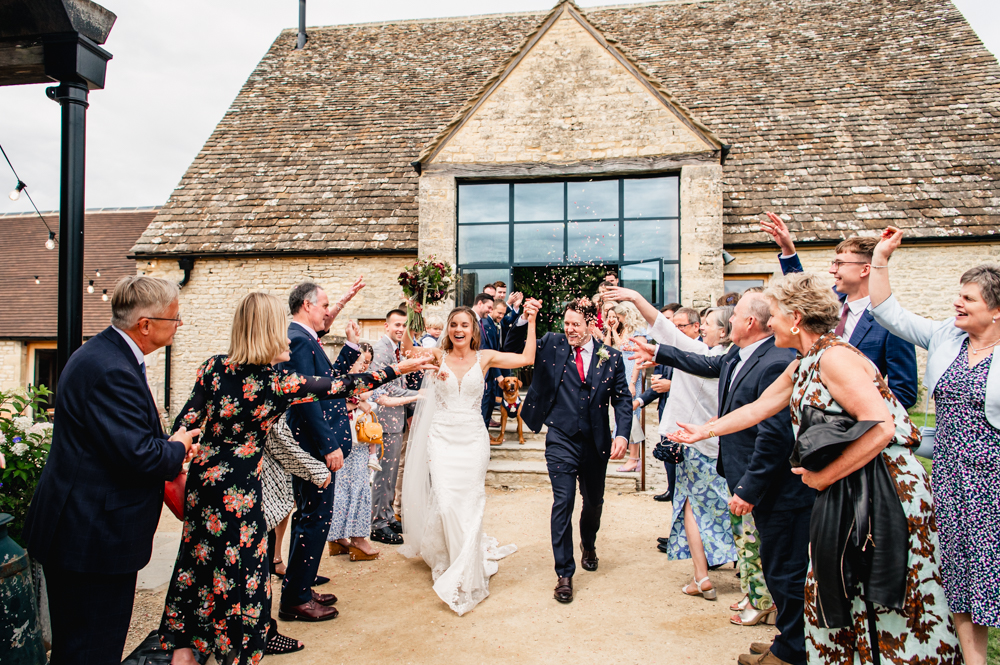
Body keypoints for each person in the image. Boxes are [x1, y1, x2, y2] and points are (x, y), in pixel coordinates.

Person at [668, 272, 961, 665]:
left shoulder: (836, 357)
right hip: (847, 484)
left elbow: (881, 427)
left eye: (772, 315)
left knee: (873, 590)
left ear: (796, 318)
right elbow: (758, 408)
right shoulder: (804, 361)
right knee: (832, 585)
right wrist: (704, 429)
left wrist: (823, 477)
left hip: (881, 488)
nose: (768, 323)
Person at [159, 292, 433, 665]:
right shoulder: (277, 383)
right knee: (244, 573)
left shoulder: (213, 367)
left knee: (197, 565)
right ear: (268, 332)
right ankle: (237, 649)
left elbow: (184, 424)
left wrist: (183, 446)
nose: (287, 339)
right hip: (239, 495)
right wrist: (398, 370)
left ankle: (185, 650)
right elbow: (344, 386)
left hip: (203, 487)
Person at [22, 276, 199, 665]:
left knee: (84, 645)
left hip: (86, 531)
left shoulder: (108, 355)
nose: (178, 325)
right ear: (146, 324)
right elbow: (140, 454)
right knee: (91, 648)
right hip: (91, 538)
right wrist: (178, 447)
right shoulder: (110, 369)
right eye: (175, 318)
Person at [629, 293, 814, 663]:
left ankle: (794, 650)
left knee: (786, 569)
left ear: (749, 324)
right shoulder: (738, 354)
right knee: (775, 564)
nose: (727, 323)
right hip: (747, 474)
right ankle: (788, 640)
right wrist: (659, 353)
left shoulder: (777, 360)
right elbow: (703, 363)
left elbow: (774, 433)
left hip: (777, 486)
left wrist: (749, 486)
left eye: (734, 317)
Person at [867, 227, 1000, 665]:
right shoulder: (947, 336)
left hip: (993, 482)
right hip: (951, 478)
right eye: (958, 296)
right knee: (960, 577)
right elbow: (889, 313)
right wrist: (882, 257)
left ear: (996, 311)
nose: (957, 304)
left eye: (969, 299)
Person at [399, 303, 539, 615]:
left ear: (473, 330)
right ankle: (454, 556)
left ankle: (468, 562)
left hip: (474, 439)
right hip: (442, 438)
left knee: (471, 500)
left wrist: (530, 321)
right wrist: (411, 311)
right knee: (447, 501)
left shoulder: (485, 357)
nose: (458, 330)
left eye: (464, 325)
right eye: (454, 325)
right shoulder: (436, 356)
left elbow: (527, 359)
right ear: (448, 330)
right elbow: (408, 349)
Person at [606, 289, 736, 601]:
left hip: (694, 443)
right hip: (722, 443)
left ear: (724, 331)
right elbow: (666, 332)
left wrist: (637, 300)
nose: (702, 327)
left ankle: (702, 575)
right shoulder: (734, 360)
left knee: (691, 507)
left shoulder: (706, 357)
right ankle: (721, 570)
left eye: (709, 323)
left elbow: (664, 331)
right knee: (723, 505)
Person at [504, 297, 633, 604]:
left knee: (593, 502)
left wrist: (623, 435)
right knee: (563, 501)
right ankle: (564, 573)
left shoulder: (610, 357)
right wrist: (525, 319)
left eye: (576, 324)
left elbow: (623, 400)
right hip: (560, 437)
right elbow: (512, 345)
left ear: (592, 324)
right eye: (567, 323)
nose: (570, 329)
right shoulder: (551, 342)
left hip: (596, 441)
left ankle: (588, 542)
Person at [760, 212, 919, 409]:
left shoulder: (892, 324)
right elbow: (801, 290)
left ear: (865, 270)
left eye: (840, 264)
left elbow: (904, 392)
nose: (832, 270)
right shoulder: (829, 303)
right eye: (833, 263)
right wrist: (787, 248)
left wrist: (853, 414)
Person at [279, 280, 365, 622]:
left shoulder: (305, 338)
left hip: (315, 446)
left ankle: (299, 587)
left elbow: (329, 381)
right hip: (314, 448)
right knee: (313, 520)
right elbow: (306, 398)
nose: (329, 311)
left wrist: (350, 346)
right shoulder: (298, 340)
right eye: (325, 305)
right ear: (306, 305)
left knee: (310, 519)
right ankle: (296, 600)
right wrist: (329, 444)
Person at [327, 342, 419, 561]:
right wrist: (356, 403)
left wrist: (416, 397)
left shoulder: (363, 381)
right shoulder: (340, 380)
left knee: (354, 490)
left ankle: (340, 538)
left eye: (366, 362)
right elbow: (333, 403)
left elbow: (383, 399)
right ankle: (355, 539)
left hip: (359, 445)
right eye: (360, 362)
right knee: (348, 492)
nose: (363, 366)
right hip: (345, 442)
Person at [370, 309, 420, 545]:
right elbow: (385, 389)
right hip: (384, 420)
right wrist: (420, 395)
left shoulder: (396, 349)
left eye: (404, 325)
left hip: (395, 419)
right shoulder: (381, 350)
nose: (401, 329)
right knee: (383, 474)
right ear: (386, 326)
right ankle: (377, 524)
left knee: (390, 474)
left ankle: (388, 516)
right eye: (397, 325)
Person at [635, 305, 677, 503]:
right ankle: (671, 487)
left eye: (670, 319)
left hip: (683, 416)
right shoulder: (667, 351)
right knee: (668, 454)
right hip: (665, 411)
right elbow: (658, 386)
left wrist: (672, 385)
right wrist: (640, 400)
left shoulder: (688, 351)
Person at [604, 301, 646, 472]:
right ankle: (632, 456)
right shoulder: (627, 330)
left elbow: (638, 359)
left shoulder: (640, 332)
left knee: (633, 416)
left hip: (632, 376)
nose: (618, 320)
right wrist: (612, 329)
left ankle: (635, 458)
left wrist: (632, 382)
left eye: (620, 317)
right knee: (624, 415)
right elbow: (620, 347)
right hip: (623, 374)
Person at [471, 293, 502, 427]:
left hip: (485, 374)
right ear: (480, 304)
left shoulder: (480, 321)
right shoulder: (469, 320)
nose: (491, 310)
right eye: (489, 307)